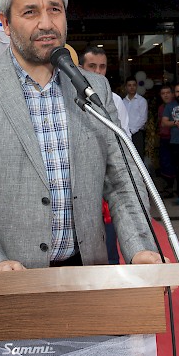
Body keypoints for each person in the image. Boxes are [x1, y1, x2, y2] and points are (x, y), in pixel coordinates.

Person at [0, 0, 164, 286]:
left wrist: (141, 248)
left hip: (86, 276)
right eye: (30, 12)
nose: (46, 23)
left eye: (54, 9)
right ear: (6, 23)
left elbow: (123, 180)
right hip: (2, 281)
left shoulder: (94, 88)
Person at [79, 45, 132, 266]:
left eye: (102, 67)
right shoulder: (66, 96)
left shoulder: (115, 100)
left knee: (109, 243)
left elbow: (123, 141)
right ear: (80, 67)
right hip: (78, 182)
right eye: (92, 66)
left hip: (105, 179)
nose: (98, 72)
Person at [123, 76, 148, 161]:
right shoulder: (123, 102)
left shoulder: (142, 101)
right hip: (125, 133)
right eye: (129, 85)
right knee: (127, 157)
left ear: (136, 86)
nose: (132, 87)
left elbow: (143, 119)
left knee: (138, 158)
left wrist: (132, 131)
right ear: (126, 87)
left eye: (134, 85)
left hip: (137, 133)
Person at [157, 84, 176, 199]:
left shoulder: (177, 106)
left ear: (172, 94)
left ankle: (177, 190)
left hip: (175, 139)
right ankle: (168, 189)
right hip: (164, 138)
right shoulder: (161, 108)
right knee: (165, 163)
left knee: (175, 164)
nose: (166, 95)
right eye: (163, 93)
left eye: (168, 93)